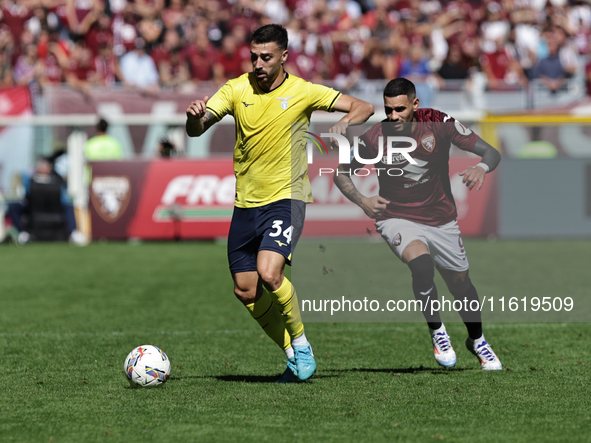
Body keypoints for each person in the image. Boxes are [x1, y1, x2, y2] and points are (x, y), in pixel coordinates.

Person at [186, 24, 374, 383]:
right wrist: (193, 118)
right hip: (246, 204)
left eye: (266, 57)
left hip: (287, 198)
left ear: (284, 56)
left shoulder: (303, 91)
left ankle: (302, 345)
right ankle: (290, 354)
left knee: (270, 272)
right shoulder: (236, 89)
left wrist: (344, 125)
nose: (258, 63)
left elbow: (362, 107)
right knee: (245, 289)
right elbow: (198, 127)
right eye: (253, 56)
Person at [333, 78, 503, 371]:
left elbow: (492, 153)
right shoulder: (376, 136)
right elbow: (340, 173)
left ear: (415, 104)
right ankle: (438, 332)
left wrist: (480, 167)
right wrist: (363, 201)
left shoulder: (439, 122)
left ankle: (477, 340)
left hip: (441, 219)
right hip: (396, 217)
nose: (393, 116)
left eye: (399, 109)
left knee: (460, 284)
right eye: (388, 110)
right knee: (421, 266)